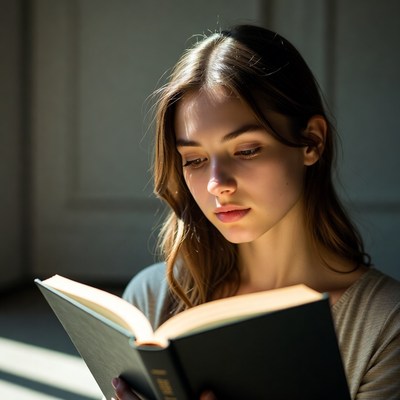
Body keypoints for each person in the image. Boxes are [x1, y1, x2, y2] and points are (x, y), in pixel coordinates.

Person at [111, 25, 400, 400]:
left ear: (311, 141)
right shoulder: (152, 297)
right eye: (195, 159)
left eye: (246, 150)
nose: (217, 184)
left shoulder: (384, 326)